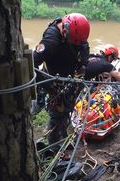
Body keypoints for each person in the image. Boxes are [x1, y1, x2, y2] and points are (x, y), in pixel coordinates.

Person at [33, 12, 90, 149]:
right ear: (65, 31)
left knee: (66, 110)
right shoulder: (51, 40)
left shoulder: (78, 36)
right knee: (56, 114)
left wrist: (81, 68)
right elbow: (32, 64)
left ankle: (62, 137)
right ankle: (53, 147)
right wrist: (49, 85)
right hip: (53, 80)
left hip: (69, 79)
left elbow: (82, 49)